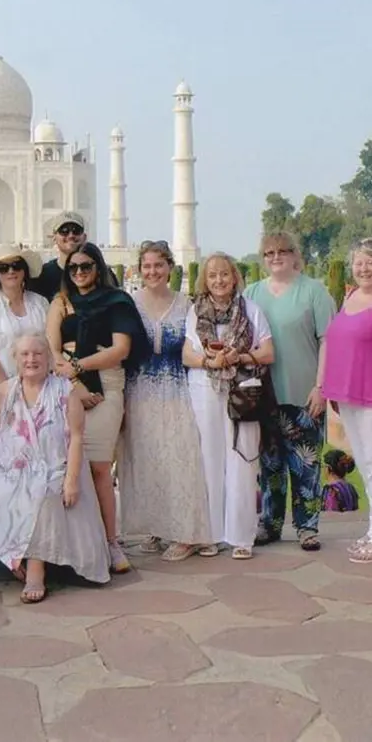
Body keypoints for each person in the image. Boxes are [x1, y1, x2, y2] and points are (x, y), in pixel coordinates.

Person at [0, 331, 110, 602]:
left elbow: (76, 437)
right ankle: (18, 559)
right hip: (12, 470)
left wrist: (72, 480)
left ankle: (35, 570)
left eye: (38, 353)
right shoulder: (5, 390)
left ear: (48, 358)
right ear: (15, 359)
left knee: (44, 492)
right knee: (5, 495)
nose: (31, 359)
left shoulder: (65, 390)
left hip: (57, 466)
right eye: (25, 354)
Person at [46, 242, 148, 574]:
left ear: (98, 267)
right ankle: (76, 544)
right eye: (73, 268)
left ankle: (110, 541)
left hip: (106, 385)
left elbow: (120, 349)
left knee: (100, 469)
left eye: (86, 266)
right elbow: (52, 351)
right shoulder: (60, 303)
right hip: (67, 387)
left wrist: (81, 367)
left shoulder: (116, 301)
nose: (79, 273)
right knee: (69, 470)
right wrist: (76, 382)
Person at [119, 241, 212, 562]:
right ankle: (156, 525)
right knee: (146, 460)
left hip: (176, 390)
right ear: (139, 269)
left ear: (170, 267)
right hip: (139, 390)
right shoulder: (130, 303)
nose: (152, 272)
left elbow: (196, 346)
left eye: (158, 265)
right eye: (147, 266)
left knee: (180, 459)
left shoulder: (185, 305)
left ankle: (186, 532)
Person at [245, 230, 336, 552]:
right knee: (269, 467)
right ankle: (269, 523)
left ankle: (307, 526)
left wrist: (321, 386)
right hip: (264, 395)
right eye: (269, 253)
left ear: (295, 254)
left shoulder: (314, 291)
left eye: (283, 251)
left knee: (306, 465)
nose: (276, 258)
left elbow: (328, 340)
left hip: (303, 392)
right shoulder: (252, 293)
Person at [182, 253, 275, 560]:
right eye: (212, 276)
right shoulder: (196, 312)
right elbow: (187, 355)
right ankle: (210, 534)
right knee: (208, 460)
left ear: (234, 277)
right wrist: (211, 360)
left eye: (224, 274)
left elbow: (267, 353)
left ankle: (241, 535)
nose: (219, 280)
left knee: (242, 457)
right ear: (204, 281)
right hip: (205, 388)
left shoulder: (250, 310)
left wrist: (241, 357)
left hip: (242, 391)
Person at [321, 238, 372, 565]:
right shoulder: (351, 296)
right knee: (366, 464)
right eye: (359, 262)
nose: (364, 268)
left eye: (371, 261)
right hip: (348, 393)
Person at [0, 244, 51, 413]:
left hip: (38, 389)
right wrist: (10, 389)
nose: (11, 271)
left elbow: (50, 346)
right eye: (3, 267)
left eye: (16, 266)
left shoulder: (40, 303)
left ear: (24, 270)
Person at [28, 212, 117, 299]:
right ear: (54, 238)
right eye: (64, 231)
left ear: (84, 237)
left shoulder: (102, 273)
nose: (71, 235)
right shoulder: (43, 275)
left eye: (76, 231)